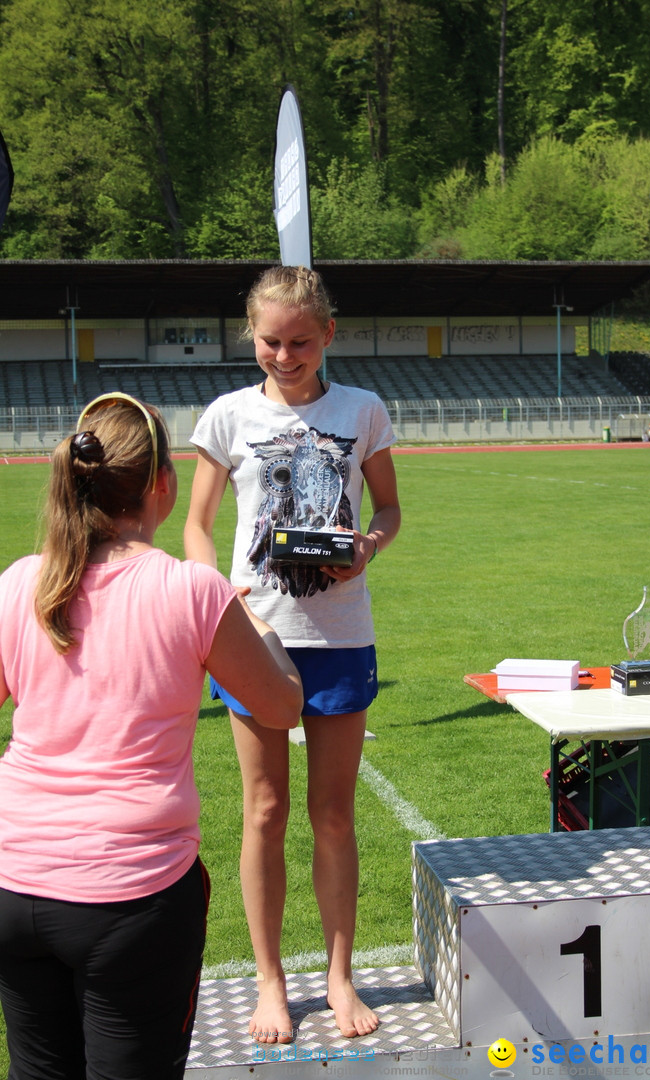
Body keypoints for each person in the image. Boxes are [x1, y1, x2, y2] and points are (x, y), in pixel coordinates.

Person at [0, 393, 302, 1080]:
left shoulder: (21, 581)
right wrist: (260, 628)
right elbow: (283, 706)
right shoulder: (188, 589)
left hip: (15, 880)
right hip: (130, 894)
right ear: (162, 483)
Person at [184, 265, 401, 1044]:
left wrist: (367, 548)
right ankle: (272, 982)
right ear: (252, 335)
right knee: (264, 811)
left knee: (333, 816)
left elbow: (390, 508)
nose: (284, 355)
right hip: (257, 636)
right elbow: (198, 526)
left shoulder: (362, 410)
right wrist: (220, 595)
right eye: (270, 341)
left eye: (300, 342)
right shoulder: (226, 415)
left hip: (341, 635)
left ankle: (339, 979)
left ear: (329, 335)